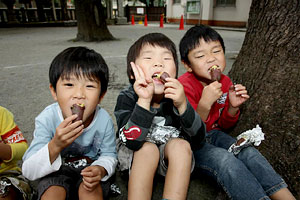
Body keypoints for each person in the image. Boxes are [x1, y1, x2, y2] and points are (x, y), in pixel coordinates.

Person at [178, 25, 296, 200]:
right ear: (187, 65)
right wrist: (204, 104)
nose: (211, 59)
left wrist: (233, 107)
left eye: (216, 51)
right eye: (201, 56)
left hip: (216, 134)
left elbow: (224, 125)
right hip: (191, 144)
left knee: (248, 152)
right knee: (225, 160)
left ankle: (285, 196)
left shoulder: (225, 82)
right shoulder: (184, 86)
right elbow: (190, 132)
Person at [114, 33, 206, 200]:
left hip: (166, 157)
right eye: (148, 58)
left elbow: (199, 139)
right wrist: (143, 99)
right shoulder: (127, 97)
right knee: (146, 149)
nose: (158, 63)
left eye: (166, 58)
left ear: (175, 72)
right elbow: (131, 141)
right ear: (133, 73)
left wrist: (182, 105)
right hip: (134, 156)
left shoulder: (176, 97)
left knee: (181, 146)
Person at [22, 47, 118, 200]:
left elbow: (109, 155)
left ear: (101, 96)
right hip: (56, 171)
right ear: (54, 91)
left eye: (90, 86)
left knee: (91, 192)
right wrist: (55, 145)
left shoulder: (103, 119)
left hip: (89, 170)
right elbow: (28, 170)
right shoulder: (47, 118)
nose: (79, 95)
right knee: (53, 192)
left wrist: (100, 169)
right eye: (69, 85)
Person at [0, 106, 32, 200]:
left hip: (5, 174)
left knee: (5, 194)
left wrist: (4, 150)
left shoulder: (1, 113)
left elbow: (23, 149)